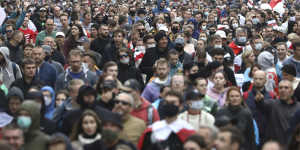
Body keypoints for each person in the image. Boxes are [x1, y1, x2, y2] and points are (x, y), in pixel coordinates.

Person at [255, 80, 300, 146]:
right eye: (280, 88)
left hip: (293, 145)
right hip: (276, 145)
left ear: (292, 92)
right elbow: (262, 105)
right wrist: (259, 100)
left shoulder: (298, 107)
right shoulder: (272, 104)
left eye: (286, 88)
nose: (283, 90)